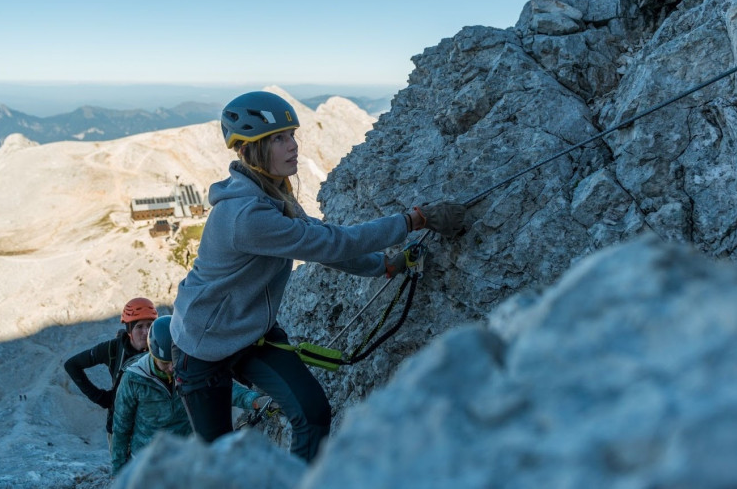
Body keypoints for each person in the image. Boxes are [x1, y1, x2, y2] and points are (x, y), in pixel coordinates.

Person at [169, 90, 465, 462]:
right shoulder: (247, 216)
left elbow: (322, 245)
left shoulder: (272, 194)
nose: (293, 146)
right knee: (219, 460)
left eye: (292, 135)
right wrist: (412, 220)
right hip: (200, 346)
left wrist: (383, 266)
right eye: (278, 139)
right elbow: (333, 244)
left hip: (247, 333)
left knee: (312, 413)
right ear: (248, 151)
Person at [111, 316, 273, 474]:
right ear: (153, 354)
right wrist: (118, 472)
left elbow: (220, 390)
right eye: (165, 362)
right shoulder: (133, 378)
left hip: (183, 458)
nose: (172, 368)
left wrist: (254, 400)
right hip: (148, 464)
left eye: (174, 359)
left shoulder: (190, 368)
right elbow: (121, 427)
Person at [64, 297, 158, 446]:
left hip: (153, 430)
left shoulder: (160, 349)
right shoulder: (113, 349)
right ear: (129, 330)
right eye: (139, 326)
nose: (146, 332)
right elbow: (72, 365)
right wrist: (100, 397)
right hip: (120, 430)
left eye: (150, 325)